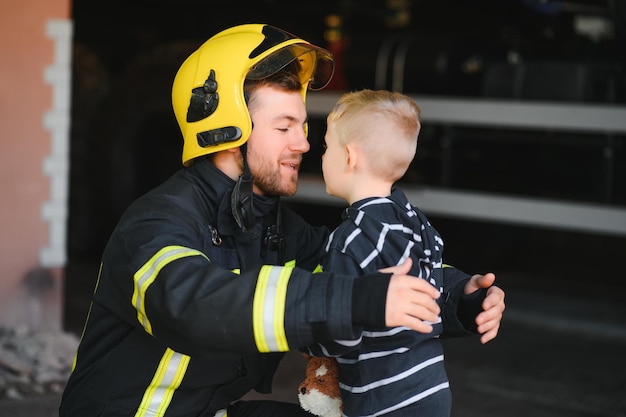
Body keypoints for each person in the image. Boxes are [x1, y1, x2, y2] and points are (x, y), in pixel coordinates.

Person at [59, 24, 505, 417]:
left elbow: (361, 267)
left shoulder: (273, 225)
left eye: (303, 127)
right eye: (284, 127)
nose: (304, 144)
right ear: (226, 130)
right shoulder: (157, 220)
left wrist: (456, 298)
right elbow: (192, 307)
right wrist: (355, 300)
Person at [303, 89, 501, 417]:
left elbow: (337, 331)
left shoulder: (349, 241)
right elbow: (433, 289)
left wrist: (305, 340)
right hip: (432, 390)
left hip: (381, 401)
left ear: (349, 157)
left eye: (326, 147)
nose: (321, 155)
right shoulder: (414, 222)